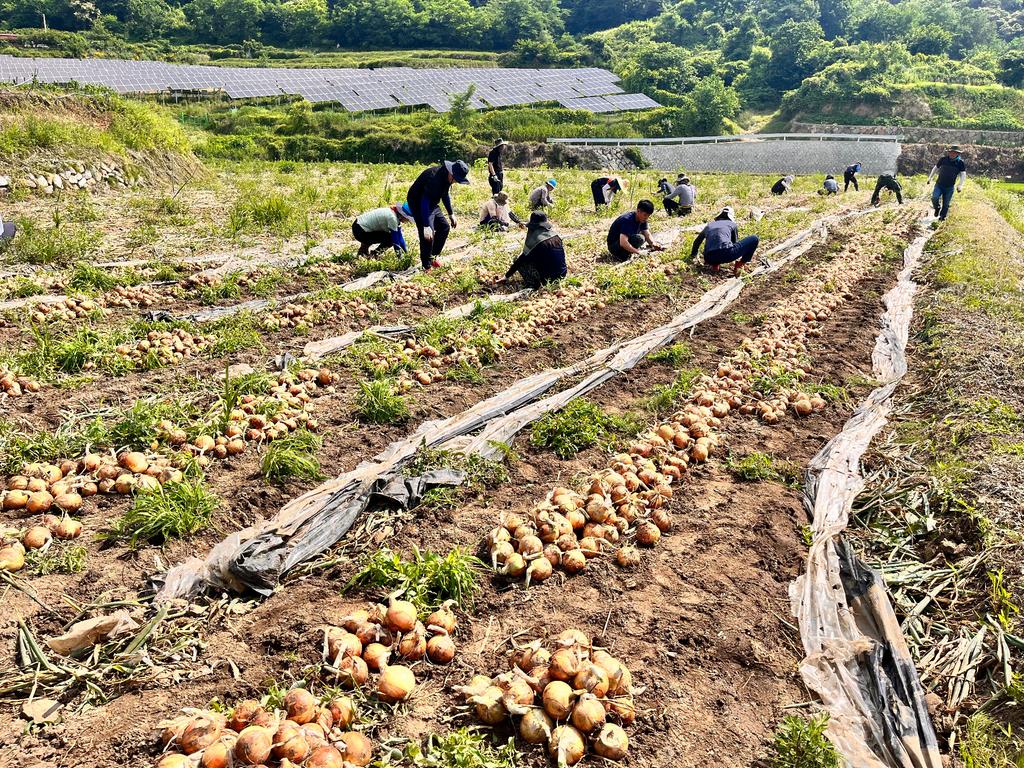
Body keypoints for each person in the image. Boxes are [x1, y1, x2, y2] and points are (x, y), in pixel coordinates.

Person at [407, 159, 470, 271]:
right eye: (456, 179)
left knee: (444, 227)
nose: (455, 182)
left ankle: (433, 257)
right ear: (451, 173)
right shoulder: (434, 178)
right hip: (418, 203)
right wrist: (426, 225)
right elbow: (424, 201)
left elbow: (445, 195)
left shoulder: (446, 177)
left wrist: (451, 213)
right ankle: (426, 266)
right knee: (427, 235)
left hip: (432, 202)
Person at [496, 212, 567, 288]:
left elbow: (520, 261)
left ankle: (533, 284)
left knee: (518, 259)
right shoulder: (555, 236)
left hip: (547, 279)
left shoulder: (536, 241)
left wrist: (506, 276)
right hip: (562, 274)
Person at [690, 206, 759, 276]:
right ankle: (740, 265)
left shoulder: (709, 225)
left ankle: (715, 265)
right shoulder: (732, 224)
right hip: (726, 254)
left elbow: (697, 241)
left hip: (709, 258)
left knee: (713, 245)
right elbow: (734, 243)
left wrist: (693, 255)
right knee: (754, 238)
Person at [926, 146, 967, 221]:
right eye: (951, 152)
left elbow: (963, 174)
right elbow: (936, 168)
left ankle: (941, 219)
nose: (952, 154)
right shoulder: (943, 159)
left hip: (949, 187)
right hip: (939, 185)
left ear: (958, 154)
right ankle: (937, 208)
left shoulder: (960, 163)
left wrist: (960, 185)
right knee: (934, 197)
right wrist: (930, 178)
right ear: (948, 152)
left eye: (954, 153)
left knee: (946, 205)